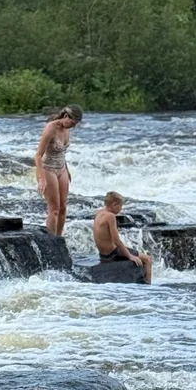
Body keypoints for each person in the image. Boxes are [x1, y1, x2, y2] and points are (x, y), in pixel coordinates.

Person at [34, 105, 83, 237]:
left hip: (62, 168)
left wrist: (67, 169)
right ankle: (50, 241)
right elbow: (38, 155)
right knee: (54, 209)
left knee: (63, 208)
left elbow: (62, 152)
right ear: (66, 116)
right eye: (72, 123)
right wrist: (41, 178)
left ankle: (58, 237)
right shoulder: (51, 128)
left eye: (75, 125)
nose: (72, 126)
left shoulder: (66, 129)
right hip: (48, 168)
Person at [92, 192, 152, 283]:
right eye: (120, 206)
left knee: (141, 258)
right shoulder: (110, 216)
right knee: (147, 259)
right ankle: (149, 286)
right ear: (114, 205)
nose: (121, 209)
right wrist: (130, 256)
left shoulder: (100, 213)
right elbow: (116, 240)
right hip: (113, 253)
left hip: (103, 255)